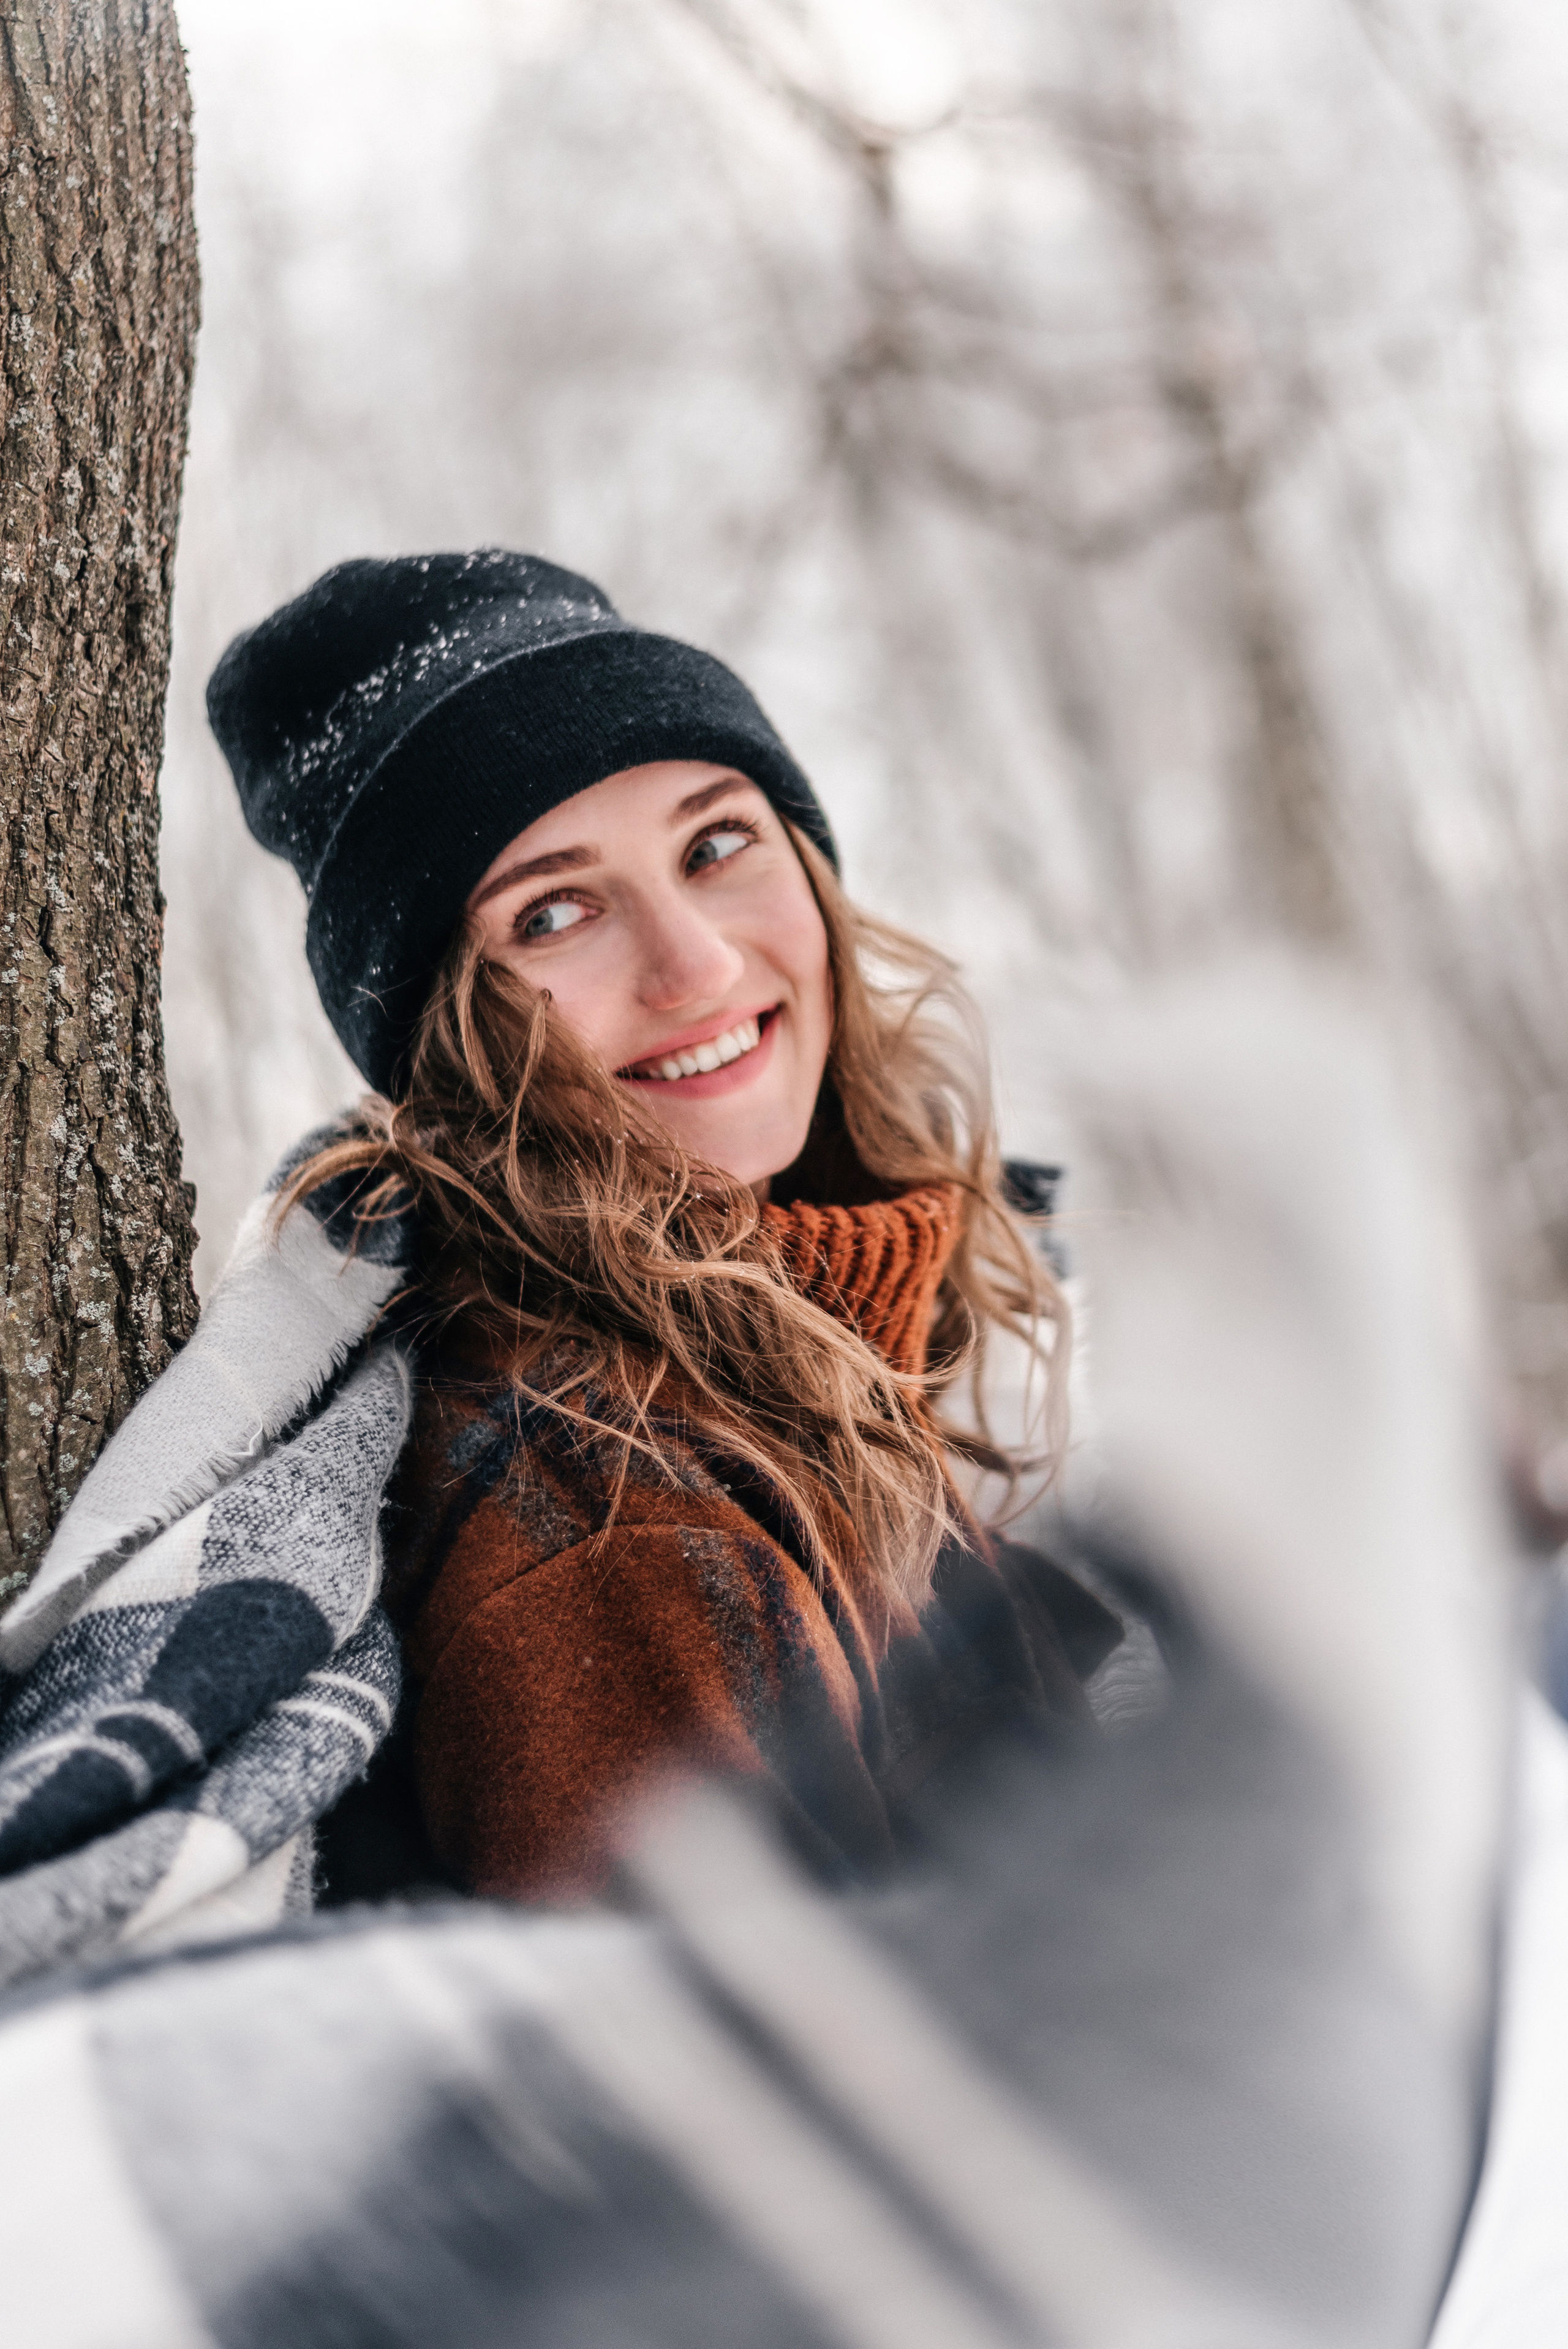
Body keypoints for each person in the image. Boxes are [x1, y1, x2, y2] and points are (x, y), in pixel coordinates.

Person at [206, 549, 1113, 1905]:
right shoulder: (605, 1510)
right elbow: (764, 2098)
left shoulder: (852, 1329)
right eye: (555, 913)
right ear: (446, 1034)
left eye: (714, 842)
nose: (694, 965)